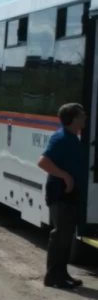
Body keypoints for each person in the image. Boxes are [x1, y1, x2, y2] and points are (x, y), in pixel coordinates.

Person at [37, 103, 87, 289]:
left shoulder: (73, 137)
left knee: (66, 237)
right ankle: (52, 277)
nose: (85, 118)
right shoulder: (61, 138)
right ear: (73, 118)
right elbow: (43, 162)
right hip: (60, 194)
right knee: (60, 236)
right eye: (82, 115)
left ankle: (62, 274)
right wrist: (65, 176)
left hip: (70, 194)